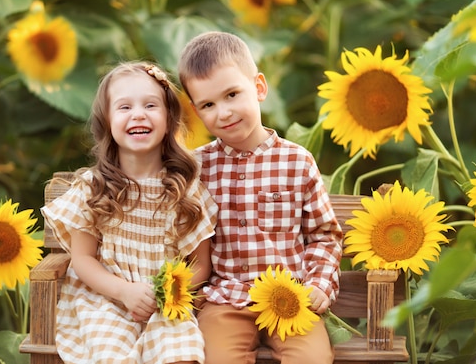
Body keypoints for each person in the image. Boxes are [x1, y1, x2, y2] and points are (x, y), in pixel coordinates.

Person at [177, 31, 343, 364]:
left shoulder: (296, 162)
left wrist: (320, 284)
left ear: (259, 88)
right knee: (217, 358)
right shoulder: (198, 167)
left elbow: (324, 236)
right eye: (208, 105)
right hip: (225, 299)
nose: (223, 112)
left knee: (312, 359)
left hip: (291, 297)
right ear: (196, 111)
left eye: (232, 94)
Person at [41, 61, 218, 364]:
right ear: (106, 120)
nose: (139, 114)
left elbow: (200, 265)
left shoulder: (184, 191)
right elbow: (82, 259)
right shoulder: (94, 188)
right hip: (105, 300)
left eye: (151, 105)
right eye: (124, 108)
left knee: (181, 352)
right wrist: (124, 292)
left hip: (165, 304)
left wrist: (165, 293)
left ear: (168, 118)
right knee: (110, 354)